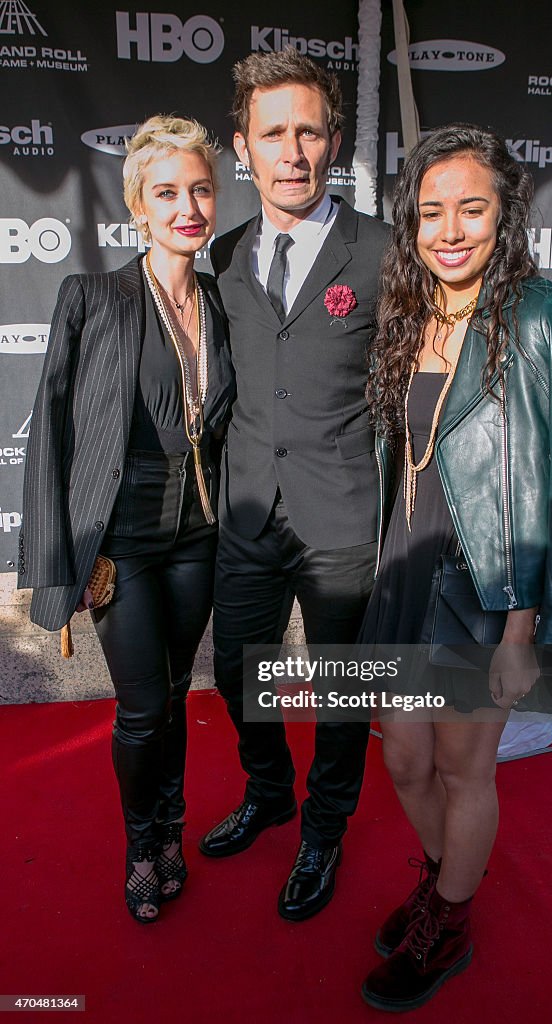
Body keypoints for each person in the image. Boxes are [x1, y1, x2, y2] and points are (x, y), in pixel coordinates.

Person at [358, 124, 552, 1010]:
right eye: (431, 211)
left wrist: (530, 625)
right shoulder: (412, 311)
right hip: (408, 567)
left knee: (463, 768)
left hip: (485, 585)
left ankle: (451, 925)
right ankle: (443, 884)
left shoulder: (535, 314)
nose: (449, 229)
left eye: (470, 209)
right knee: (402, 759)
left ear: (504, 215)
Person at [18, 115, 235, 924]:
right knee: (144, 706)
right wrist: (57, 564)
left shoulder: (223, 300)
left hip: (201, 539)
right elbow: (52, 433)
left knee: (177, 694)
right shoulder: (94, 296)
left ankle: (173, 831)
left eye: (201, 189)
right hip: (122, 544)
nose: (188, 207)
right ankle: (144, 845)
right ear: (137, 207)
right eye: (168, 192)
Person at [199, 49, 388, 921]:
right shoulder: (228, 253)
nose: (292, 151)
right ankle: (268, 790)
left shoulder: (386, 252)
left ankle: (323, 830)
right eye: (272, 133)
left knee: (344, 691)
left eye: (308, 130)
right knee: (243, 672)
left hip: (342, 514)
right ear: (243, 147)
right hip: (245, 513)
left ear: (335, 141)